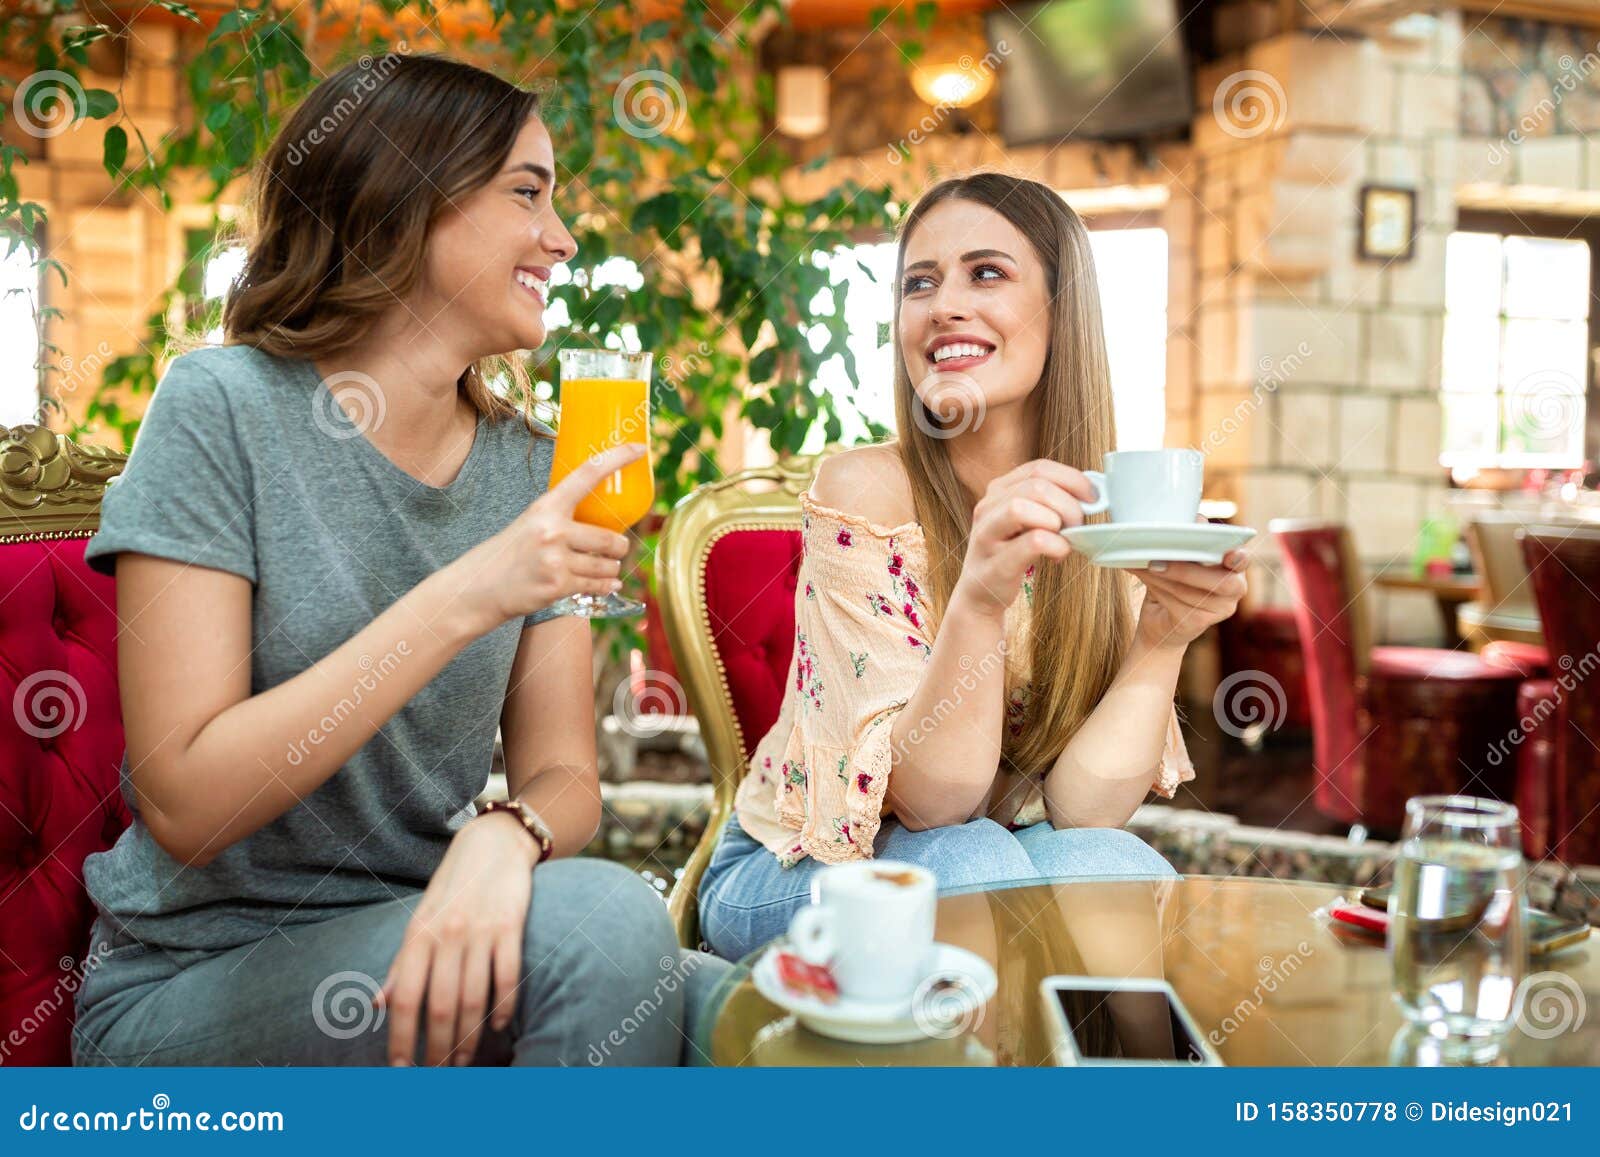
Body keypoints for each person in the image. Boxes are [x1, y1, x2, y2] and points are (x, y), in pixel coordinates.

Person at [72, 53, 720, 1067]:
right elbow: (189, 804)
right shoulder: (220, 410)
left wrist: (504, 834)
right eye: (526, 192)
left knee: (752, 1010)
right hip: (199, 983)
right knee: (599, 926)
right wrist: (472, 590)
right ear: (404, 198)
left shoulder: (532, 467)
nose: (562, 237)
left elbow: (565, 775)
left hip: (436, 924)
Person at [697, 172, 1248, 962]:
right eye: (919, 283)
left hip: (989, 860)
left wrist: (1165, 635)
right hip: (793, 868)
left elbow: (1084, 809)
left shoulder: (1107, 509)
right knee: (970, 861)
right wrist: (981, 600)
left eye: (985, 273)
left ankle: (1143, 1084)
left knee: (1112, 867)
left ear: (1063, 311)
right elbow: (935, 802)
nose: (943, 304)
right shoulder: (864, 489)